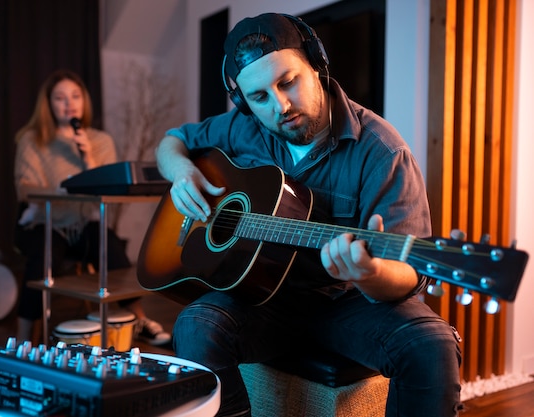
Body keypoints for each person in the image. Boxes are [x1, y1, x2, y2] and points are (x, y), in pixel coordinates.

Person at [155, 13, 462, 417]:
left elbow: (411, 271)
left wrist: (369, 273)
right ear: (243, 103)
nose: (280, 105)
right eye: (259, 97)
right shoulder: (243, 128)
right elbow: (172, 141)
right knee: (195, 325)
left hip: (347, 304)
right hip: (262, 299)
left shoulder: (382, 152)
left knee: (431, 345)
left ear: (316, 64)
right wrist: (181, 172)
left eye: (288, 82)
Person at [14, 69, 170, 346]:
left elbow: (104, 188)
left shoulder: (100, 141)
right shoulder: (32, 139)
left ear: (84, 101)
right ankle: (23, 341)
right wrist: (68, 188)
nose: (68, 103)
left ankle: (141, 320)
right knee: (42, 261)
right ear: (48, 103)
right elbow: (26, 189)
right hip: (44, 224)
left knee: (112, 248)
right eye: (60, 97)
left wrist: (87, 160)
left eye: (75, 96)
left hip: (85, 224)